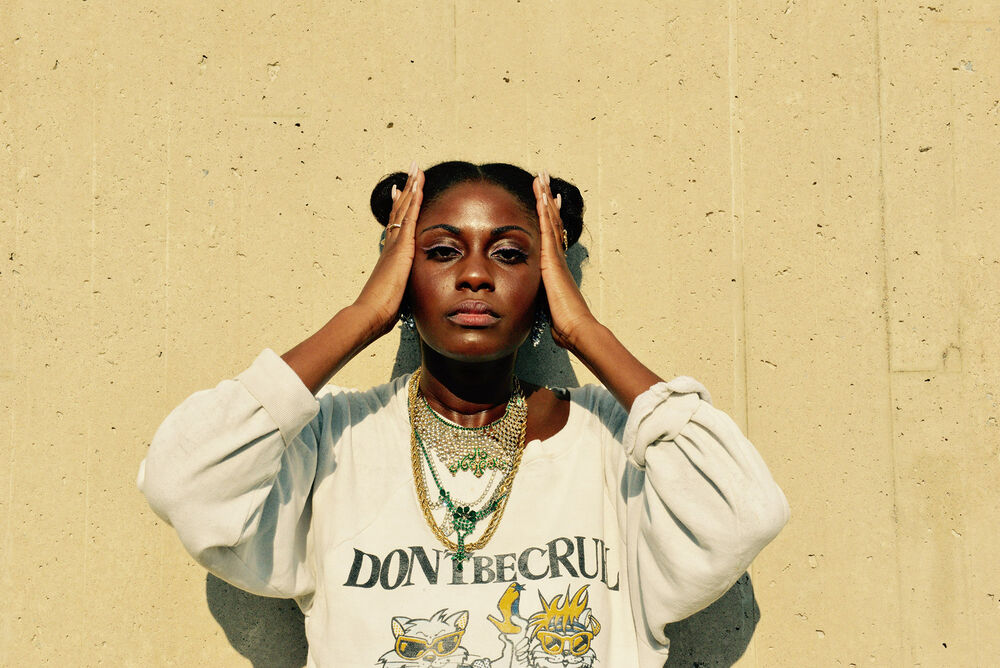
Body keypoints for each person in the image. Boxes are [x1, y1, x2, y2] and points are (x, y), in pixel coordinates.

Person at [138, 160, 789, 668]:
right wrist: (361, 316)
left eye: (510, 254)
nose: (475, 275)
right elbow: (184, 481)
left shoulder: (615, 442)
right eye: (442, 251)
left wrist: (586, 332)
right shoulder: (333, 439)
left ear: (548, 280)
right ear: (400, 273)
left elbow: (745, 514)